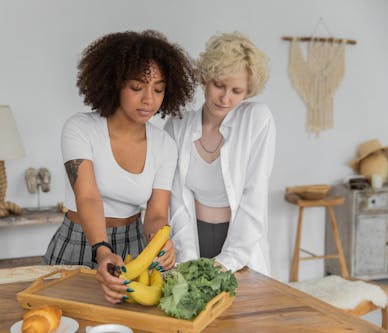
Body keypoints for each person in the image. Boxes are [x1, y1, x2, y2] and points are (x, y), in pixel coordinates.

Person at [43, 30, 196, 303]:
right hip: (79, 241)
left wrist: (161, 242)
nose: (149, 99)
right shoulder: (80, 128)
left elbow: (157, 212)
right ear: (114, 84)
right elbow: (88, 196)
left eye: (158, 89)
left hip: (135, 246)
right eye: (137, 87)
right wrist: (102, 250)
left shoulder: (164, 145)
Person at [164, 32, 276, 275]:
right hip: (192, 235)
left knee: (243, 310)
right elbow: (176, 200)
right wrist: (187, 257)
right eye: (219, 85)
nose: (225, 98)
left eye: (237, 90)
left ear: (248, 92)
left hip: (240, 241)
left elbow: (254, 195)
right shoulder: (177, 125)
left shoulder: (257, 119)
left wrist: (230, 259)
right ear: (205, 77)